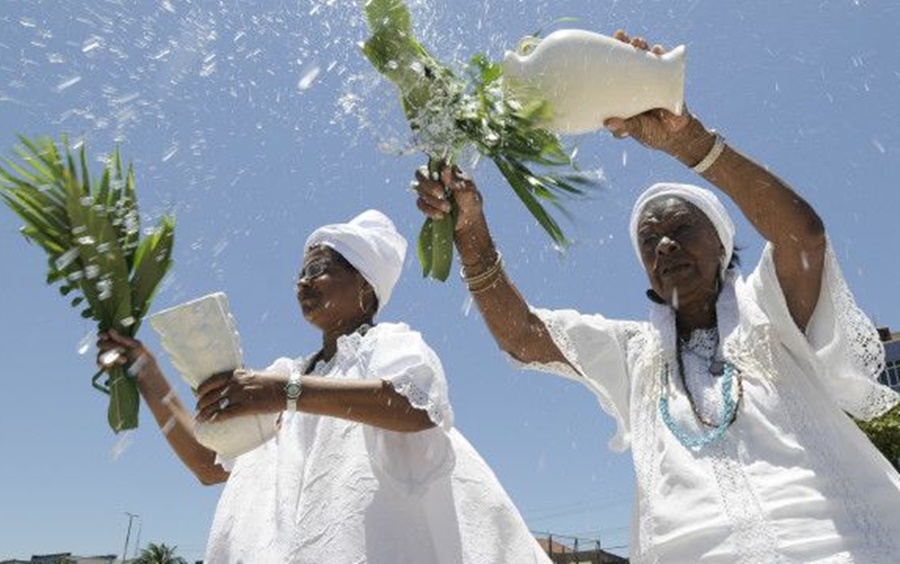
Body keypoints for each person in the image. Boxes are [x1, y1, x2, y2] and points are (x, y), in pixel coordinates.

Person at [413, 30, 900, 563]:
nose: (663, 242)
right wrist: (471, 230)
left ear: (722, 244)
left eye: (680, 228)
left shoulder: (769, 313)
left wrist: (687, 142)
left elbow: (801, 237)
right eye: (649, 239)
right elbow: (522, 337)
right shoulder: (634, 353)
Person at [98, 210, 550, 563]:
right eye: (301, 271)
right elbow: (208, 462)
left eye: (320, 267)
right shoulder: (284, 375)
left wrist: (285, 393)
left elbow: (417, 407)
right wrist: (144, 367)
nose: (302, 281)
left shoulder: (388, 345)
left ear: (365, 287)